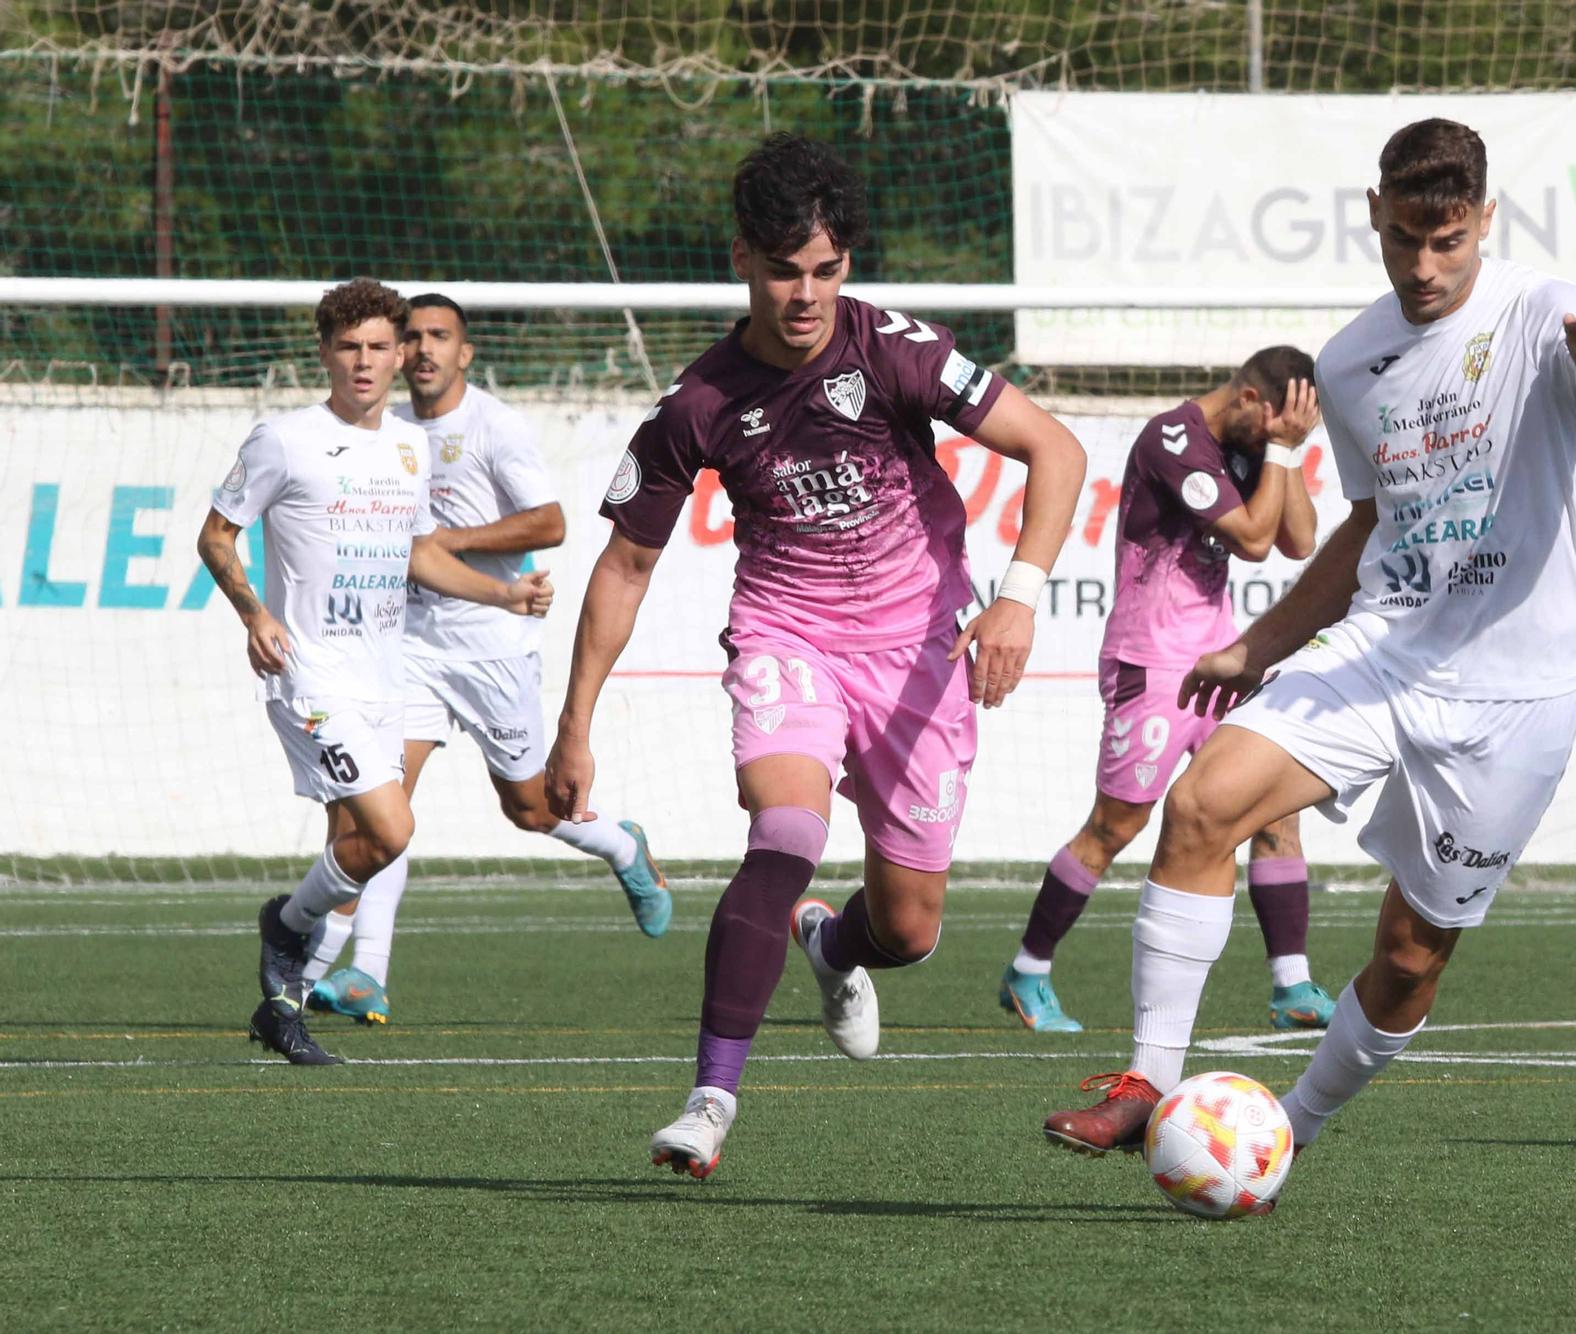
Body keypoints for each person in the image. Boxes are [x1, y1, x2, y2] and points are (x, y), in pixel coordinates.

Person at [1041, 117, 1576, 1154]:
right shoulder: (1347, 363)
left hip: (1520, 689)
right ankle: (1141, 1083)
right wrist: (1260, 643)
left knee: (1410, 956)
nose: (1423, 267)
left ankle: (1285, 1128)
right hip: (1384, 649)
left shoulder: (1543, 312)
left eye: (1447, 241)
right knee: (1202, 803)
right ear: (1373, 215)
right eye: (1402, 240)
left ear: (1481, 220)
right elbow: (1370, 521)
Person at [545, 134, 1086, 1177]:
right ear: (741, 254)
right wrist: (575, 721)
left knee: (912, 927)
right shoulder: (698, 404)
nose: (805, 294)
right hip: (786, 634)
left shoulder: (896, 350)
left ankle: (833, 945)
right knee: (784, 828)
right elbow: (622, 566)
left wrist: (1015, 600)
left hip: (918, 651)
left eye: (826, 269)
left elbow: (1053, 450)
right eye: (785, 268)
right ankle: (709, 1100)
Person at [195, 278, 553, 1065]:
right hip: (310, 673)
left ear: (399, 355)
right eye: (349, 347)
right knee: (393, 828)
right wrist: (254, 611)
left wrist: (504, 593)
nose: (365, 362)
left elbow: (420, 553)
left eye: (379, 347)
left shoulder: (408, 446)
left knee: (363, 844)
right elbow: (217, 537)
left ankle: (283, 1010)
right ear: (325, 353)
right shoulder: (282, 439)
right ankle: (286, 929)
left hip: (385, 677)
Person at [297, 293, 671, 1026]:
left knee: (530, 808)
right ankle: (364, 973)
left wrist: (450, 544)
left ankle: (620, 845)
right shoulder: (386, 430)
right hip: (408, 644)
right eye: (414, 337)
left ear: (465, 353)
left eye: (441, 336)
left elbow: (551, 522)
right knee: (382, 805)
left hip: (493, 645)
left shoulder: (495, 425)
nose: (426, 349)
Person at [999, 348, 1339, 1034]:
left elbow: (1298, 543)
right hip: (1150, 664)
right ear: (1248, 398)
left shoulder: (1260, 444)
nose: (1277, 442)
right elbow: (1250, 540)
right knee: (1116, 825)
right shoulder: (1172, 438)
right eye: (1275, 427)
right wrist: (1276, 450)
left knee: (1274, 813)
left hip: (1224, 661)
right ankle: (1028, 971)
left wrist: (1286, 453)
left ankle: (1292, 986)